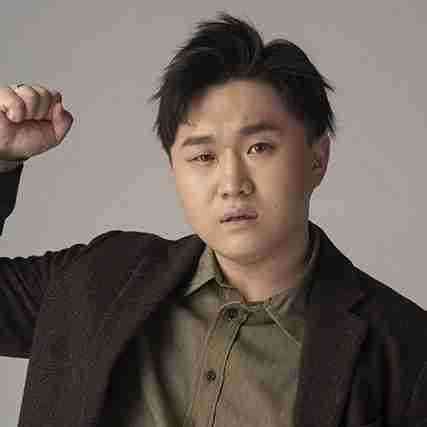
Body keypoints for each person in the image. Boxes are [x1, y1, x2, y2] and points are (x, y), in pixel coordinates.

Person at [0, 12, 426, 427]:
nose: (232, 183)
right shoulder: (99, 277)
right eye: (203, 156)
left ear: (317, 159)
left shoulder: (403, 351)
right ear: (173, 170)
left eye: (259, 148)